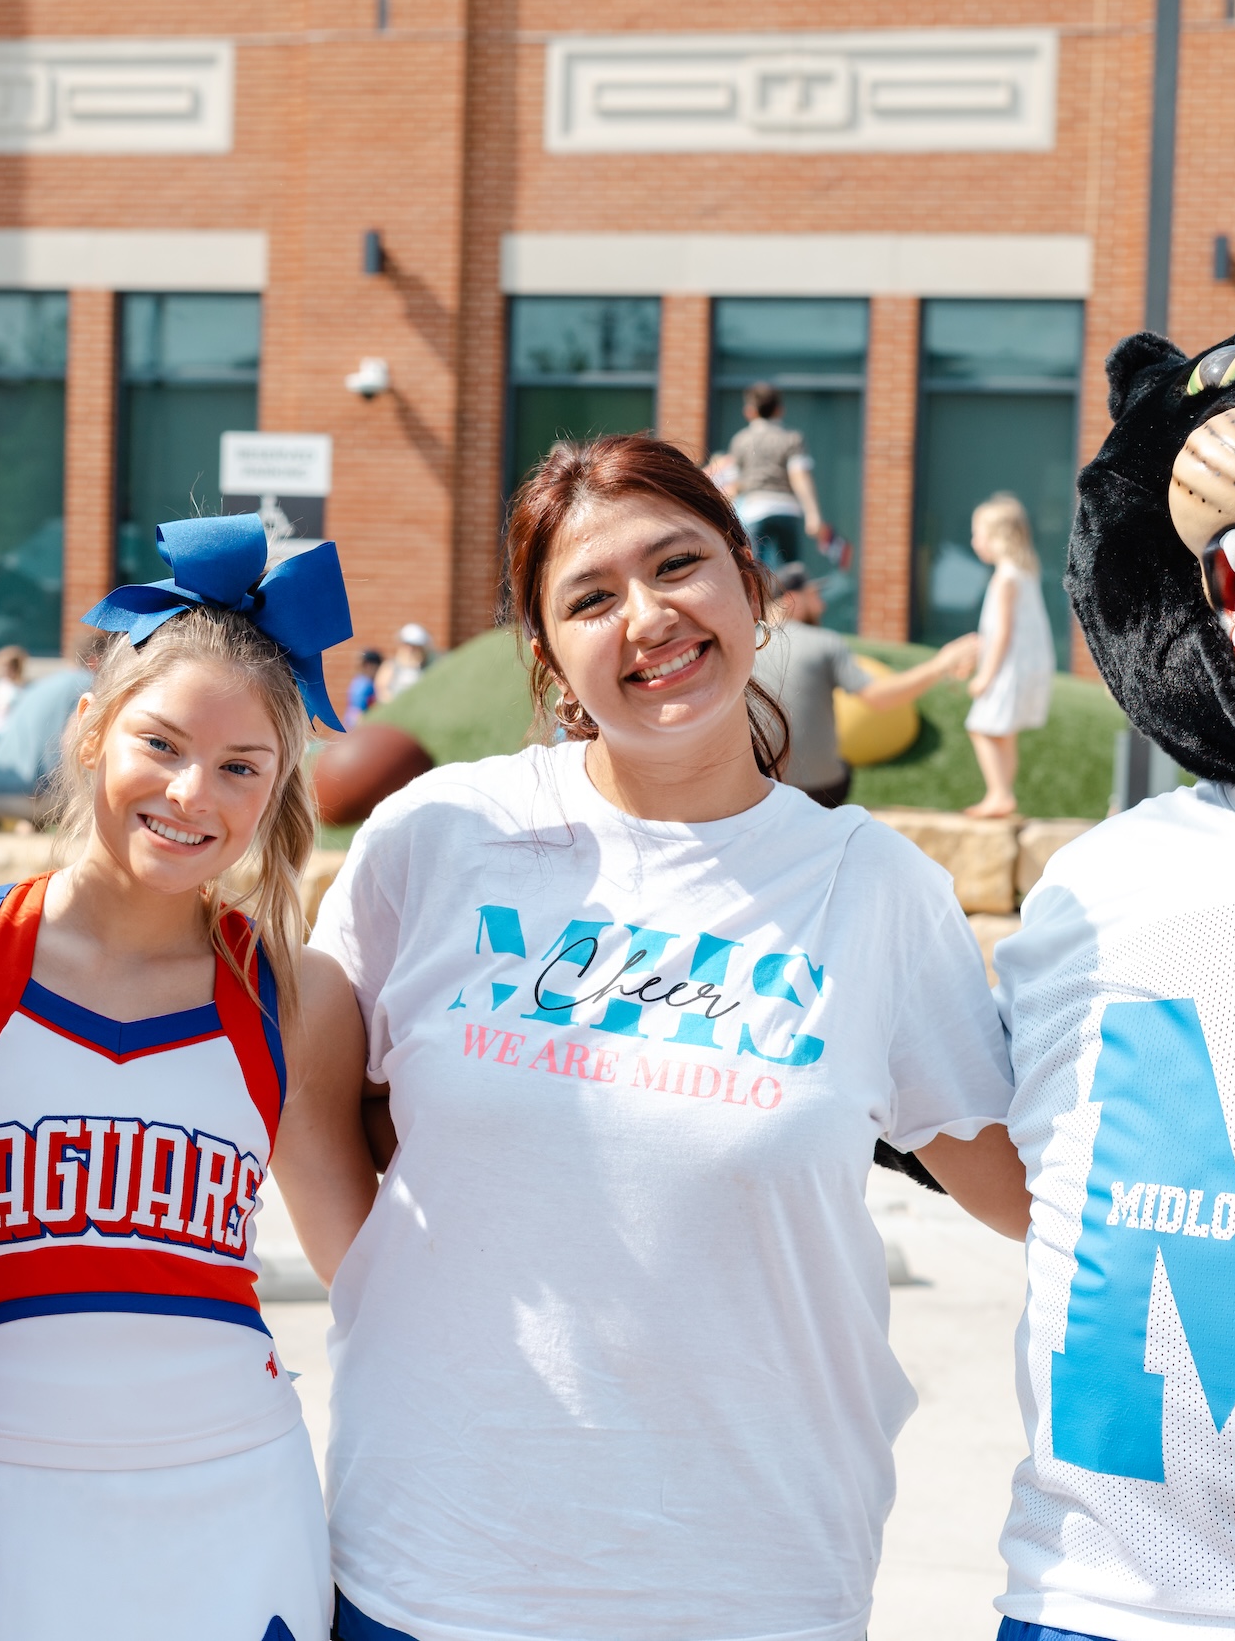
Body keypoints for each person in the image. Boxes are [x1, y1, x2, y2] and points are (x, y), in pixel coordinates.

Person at [308, 433, 1028, 1641]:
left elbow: (1015, 1187)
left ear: (750, 585)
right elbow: (308, 1091)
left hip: (750, 1580)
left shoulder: (874, 887)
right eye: (590, 596)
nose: (646, 615)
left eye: (677, 564)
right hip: (432, 1570)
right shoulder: (439, 835)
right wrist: (381, 1284)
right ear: (545, 653)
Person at [0, 512, 373, 1641]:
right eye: (163, 744)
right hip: (0, 1505)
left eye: (242, 766)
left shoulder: (294, 993)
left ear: (278, 789)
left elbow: (376, 1277)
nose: (194, 792)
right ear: (90, 728)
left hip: (237, 1501)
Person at [755, 562, 978, 808]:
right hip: (819, 791)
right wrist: (940, 664)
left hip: (758, 789)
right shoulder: (825, 642)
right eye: (815, 595)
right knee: (842, 769)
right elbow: (881, 698)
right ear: (791, 599)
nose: (823, 605)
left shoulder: (746, 644)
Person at [962, 494, 1056, 819]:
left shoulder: (1005, 578)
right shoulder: (1023, 572)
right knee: (1003, 731)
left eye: (978, 534)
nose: (974, 541)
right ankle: (1003, 793)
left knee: (980, 727)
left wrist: (984, 676)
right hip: (1024, 667)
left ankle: (999, 793)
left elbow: (1001, 633)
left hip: (1007, 669)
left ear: (996, 537)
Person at [707, 381, 842, 571]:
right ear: (780, 410)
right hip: (787, 510)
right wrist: (813, 515)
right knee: (792, 574)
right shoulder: (792, 438)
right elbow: (799, 477)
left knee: (755, 572)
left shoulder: (740, 441)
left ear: (749, 411)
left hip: (755, 510)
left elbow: (735, 486)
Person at [0, 636, 102, 824]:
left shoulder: (37, 686)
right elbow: (71, 742)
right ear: (95, 661)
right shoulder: (90, 685)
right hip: (40, 795)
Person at [374, 622, 431, 704]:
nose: (410, 649)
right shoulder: (391, 666)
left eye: (414, 646)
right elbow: (381, 688)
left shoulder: (426, 668)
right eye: (407, 645)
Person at [346, 648, 385, 727]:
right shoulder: (365, 684)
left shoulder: (360, 681)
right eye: (378, 666)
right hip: (358, 727)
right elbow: (357, 711)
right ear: (369, 665)